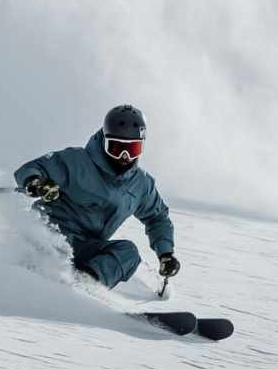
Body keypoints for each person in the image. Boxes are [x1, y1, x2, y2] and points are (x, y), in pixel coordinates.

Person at [14, 105, 179, 289]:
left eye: (132, 149)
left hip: (85, 248)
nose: (124, 156)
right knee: (55, 252)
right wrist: (37, 183)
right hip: (50, 237)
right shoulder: (77, 161)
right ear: (104, 140)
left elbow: (157, 218)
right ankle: (39, 275)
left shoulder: (141, 184)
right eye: (116, 148)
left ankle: (86, 285)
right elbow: (32, 168)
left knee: (128, 253)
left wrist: (166, 254)